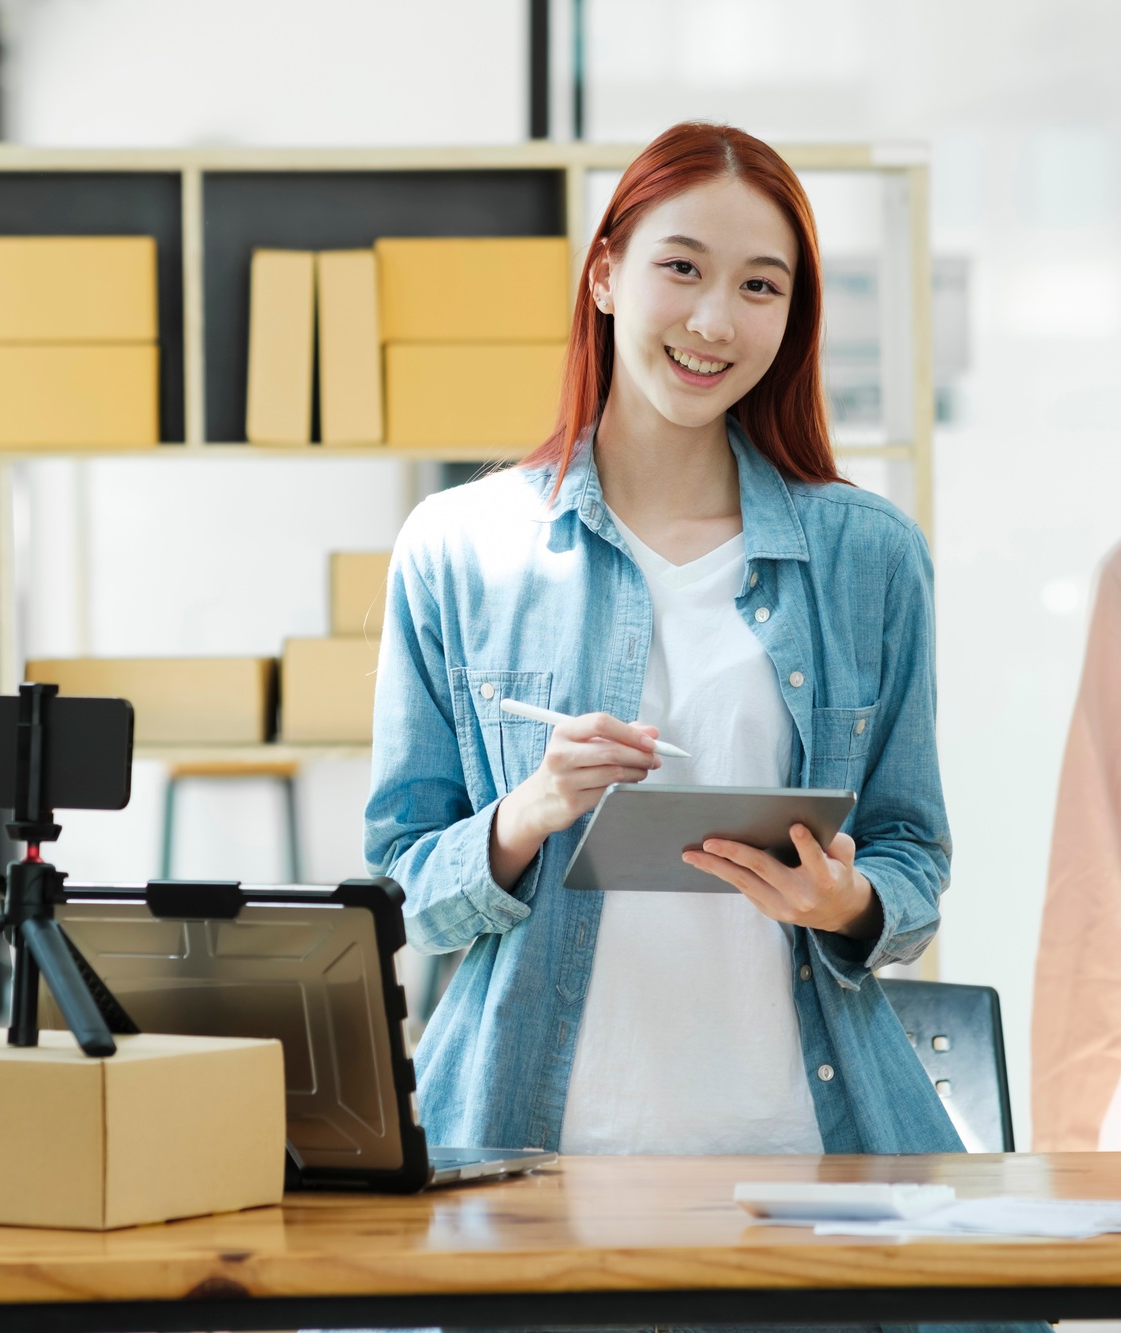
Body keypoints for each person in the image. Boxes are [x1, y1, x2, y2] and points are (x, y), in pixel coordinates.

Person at [366, 121, 967, 1173]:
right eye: (680, 268)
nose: (711, 320)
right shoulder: (459, 549)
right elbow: (402, 892)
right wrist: (529, 811)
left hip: (803, 1150)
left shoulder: (870, 556)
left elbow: (912, 856)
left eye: (757, 287)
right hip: (527, 1149)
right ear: (604, 274)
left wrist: (849, 901)